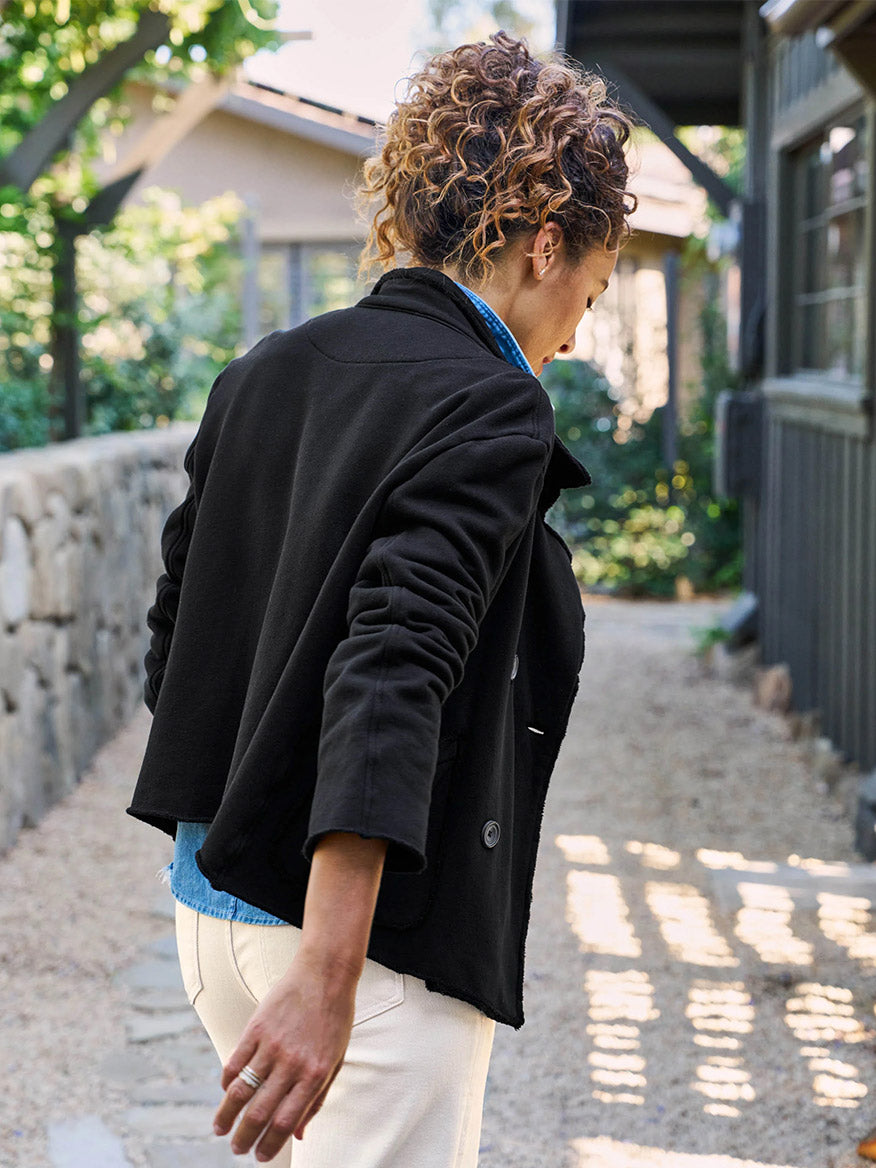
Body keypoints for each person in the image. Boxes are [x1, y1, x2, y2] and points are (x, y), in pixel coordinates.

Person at [127, 28, 636, 1168]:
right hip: (359, 950)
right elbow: (397, 663)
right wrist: (325, 969)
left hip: (209, 914)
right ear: (546, 243)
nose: (575, 330)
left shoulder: (265, 369)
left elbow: (178, 640)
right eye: (590, 293)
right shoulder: (493, 408)